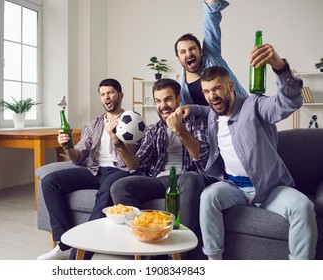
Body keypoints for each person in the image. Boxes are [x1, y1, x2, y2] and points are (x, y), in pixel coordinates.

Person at [179, 44, 318, 259]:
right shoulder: (213, 114)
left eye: (217, 89)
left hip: (269, 189)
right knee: (208, 197)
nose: (211, 96)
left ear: (230, 86)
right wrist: (192, 108)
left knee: (303, 206)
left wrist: (280, 68)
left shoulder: (254, 106)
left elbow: (288, 102)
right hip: (235, 187)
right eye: (206, 91)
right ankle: (215, 263)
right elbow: (207, 108)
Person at [110, 78, 214, 259]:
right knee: (119, 186)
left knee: (190, 178)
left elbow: (201, 156)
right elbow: (136, 164)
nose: (163, 106)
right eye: (158, 101)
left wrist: (179, 130)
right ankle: (146, 243)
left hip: (187, 178)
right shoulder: (154, 129)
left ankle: (182, 254)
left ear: (178, 99)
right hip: (159, 180)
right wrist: (118, 142)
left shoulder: (196, 122)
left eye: (167, 99)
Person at [37, 78, 139, 260]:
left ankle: (80, 255)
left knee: (105, 192)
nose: (107, 97)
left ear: (120, 95)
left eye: (111, 93)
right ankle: (64, 243)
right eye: (103, 94)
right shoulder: (94, 125)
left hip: (119, 171)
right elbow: (79, 157)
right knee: (50, 181)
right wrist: (68, 147)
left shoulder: (132, 121)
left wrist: (116, 137)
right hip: (94, 170)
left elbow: (134, 161)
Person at [175, 0, 248, 106]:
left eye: (192, 48)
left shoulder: (211, 55)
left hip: (243, 113)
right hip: (214, 122)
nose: (189, 54)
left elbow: (210, 22)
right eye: (183, 52)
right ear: (178, 58)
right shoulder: (180, 88)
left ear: (201, 52)